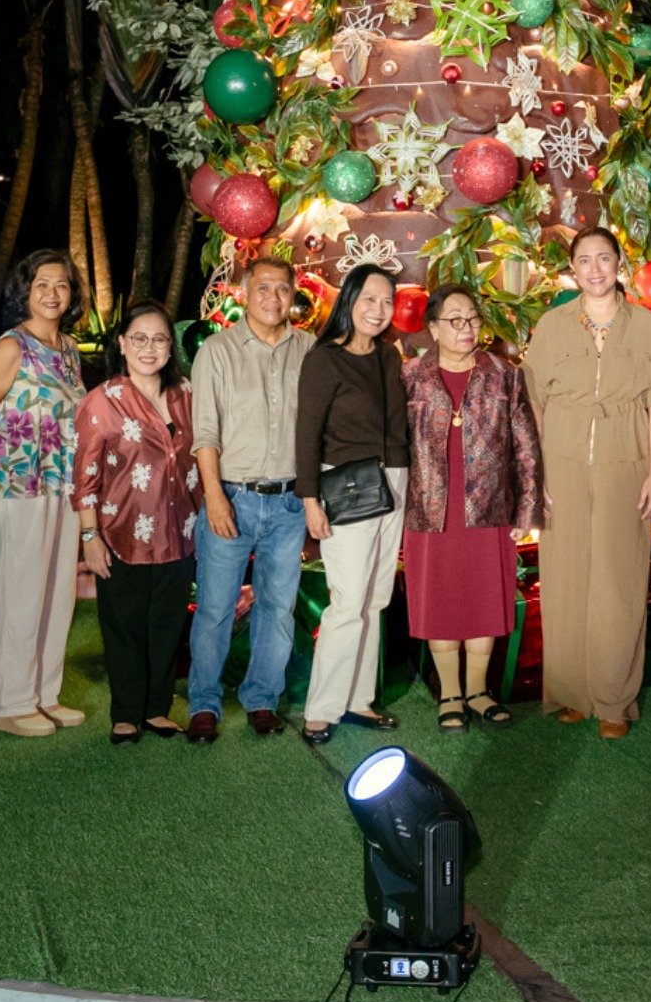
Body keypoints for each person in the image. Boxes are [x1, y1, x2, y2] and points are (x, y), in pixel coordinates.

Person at [523, 228, 651, 740]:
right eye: (584, 260)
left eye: (604, 258)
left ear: (619, 265)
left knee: (619, 579)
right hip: (563, 465)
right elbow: (534, 404)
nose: (594, 269)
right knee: (566, 578)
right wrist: (539, 471)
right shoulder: (552, 325)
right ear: (572, 268)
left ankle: (615, 700)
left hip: (626, 462)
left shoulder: (647, 326)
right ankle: (571, 692)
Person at [403, 283, 545, 732]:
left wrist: (527, 511)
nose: (467, 328)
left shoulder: (504, 374)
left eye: (473, 319)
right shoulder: (409, 377)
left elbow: (526, 447)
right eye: (455, 320)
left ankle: (480, 691)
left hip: (488, 506)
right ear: (433, 329)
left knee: (484, 597)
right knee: (441, 600)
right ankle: (449, 694)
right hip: (430, 508)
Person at [186, 256, 314, 742]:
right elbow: (205, 432)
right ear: (244, 291)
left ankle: (262, 697)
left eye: (282, 289)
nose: (272, 298)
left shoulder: (309, 349)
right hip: (233, 497)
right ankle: (204, 703)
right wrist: (214, 496)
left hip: (288, 503)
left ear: (292, 293)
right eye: (262, 288)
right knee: (216, 608)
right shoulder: (217, 351)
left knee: (277, 608)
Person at [0, 249, 85, 737]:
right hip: (20, 488)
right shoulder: (12, 346)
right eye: (42, 284)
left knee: (58, 593)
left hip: (63, 485)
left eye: (62, 285)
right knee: (21, 592)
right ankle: (10, 703)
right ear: (26, 292)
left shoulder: (71, 348)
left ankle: (44, 694)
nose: (53, 294)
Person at [71, 302, 197, 744]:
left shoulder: (186, 395)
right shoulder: (101, 402)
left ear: (170, 347)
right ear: (122, 344)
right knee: (123, 624)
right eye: (139, 338)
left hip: (181, 533)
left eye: (159, 338)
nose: (149, 347)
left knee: (166, 624)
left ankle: (156, 709)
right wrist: (90, 537)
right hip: (120, 532)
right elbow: (85, 478)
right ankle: (125, 712)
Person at [296, 264, 409, 744]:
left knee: (375, 599)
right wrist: (309, 499)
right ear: (349, 300)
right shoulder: (324, 359)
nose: (377, 310)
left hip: (395, 482)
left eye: (386, 301)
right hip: (346, 485)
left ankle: (358, 700)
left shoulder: (388, 357)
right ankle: (320, 709)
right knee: (347, 602)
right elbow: (306, 433)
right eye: (368, 299)